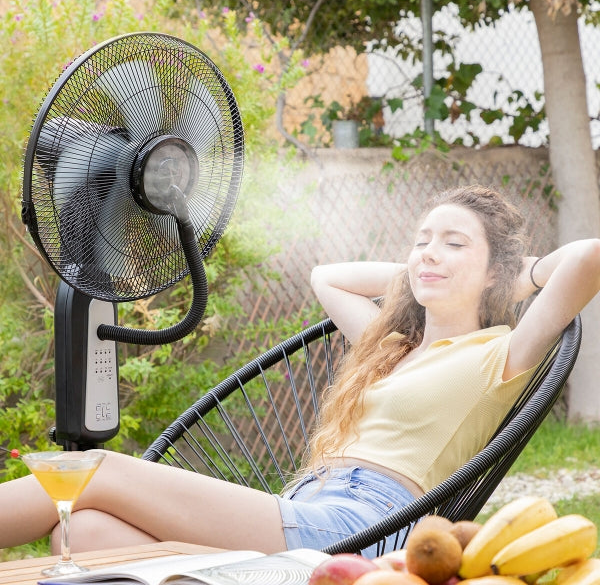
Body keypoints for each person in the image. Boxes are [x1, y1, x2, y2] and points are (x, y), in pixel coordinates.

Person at [1, 185, 599, 558]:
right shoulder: (389, 346)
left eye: (453, 243)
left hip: (361, 527)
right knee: (85, 534)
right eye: (422, 241)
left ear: (496, 271)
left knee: (94, 470)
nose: (429, 252)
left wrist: (507, 273)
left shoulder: (501, 353)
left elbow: (588, 258)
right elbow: (326, 277)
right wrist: (428, 269)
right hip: (308, 509)